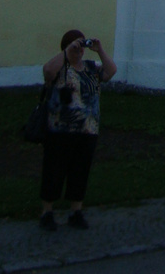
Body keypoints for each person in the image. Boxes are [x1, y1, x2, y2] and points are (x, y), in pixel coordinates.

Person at [38, 29, 117, 230]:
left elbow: (111, 71)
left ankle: (76, 211)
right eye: (75, 46)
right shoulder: (60, 68)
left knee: (79, 172)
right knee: (53, 171)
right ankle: (47, 213)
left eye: (81, 46)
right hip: (59, 130)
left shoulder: (91, 68)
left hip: (87, 130)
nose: (79, 50)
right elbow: (47, 71)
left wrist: (99, 51)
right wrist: (67, 52)